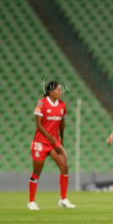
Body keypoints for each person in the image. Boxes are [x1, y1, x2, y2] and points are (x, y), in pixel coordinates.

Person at [28, 81, 76, 210]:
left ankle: (63, 199)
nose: (60, 91)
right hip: (41, 142)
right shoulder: (41, 103)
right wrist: (48, 136)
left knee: (65, 167)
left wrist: (62, 138)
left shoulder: (62, 105)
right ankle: (31, 201)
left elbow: (62, 123)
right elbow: (38, 124)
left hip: (55, 142)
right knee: (37, 171)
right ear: (51, 91)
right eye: (58, 89)